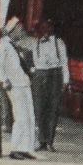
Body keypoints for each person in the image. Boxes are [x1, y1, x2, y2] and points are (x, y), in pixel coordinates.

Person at [0, 18, 39, 160]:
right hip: (15, 86)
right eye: (20, 28)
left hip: (24, 84)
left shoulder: (13, 45)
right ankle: (16, 148)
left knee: (30, 117)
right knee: (21, 117)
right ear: (13, 30)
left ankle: (26, 148)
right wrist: (4, 80)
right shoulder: (4, 45)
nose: (22, 31)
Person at [29, 19, 70, 152]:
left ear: (51, 29)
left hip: (55, 75)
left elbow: (64, 62)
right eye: (43, 28)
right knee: (40, 108)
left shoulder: (59, 43)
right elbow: (32, 62)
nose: (45, 31)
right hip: (40, 75)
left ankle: (50, 141)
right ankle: (41, 141)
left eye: (48, 28)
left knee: (53, 108)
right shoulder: (35, 44)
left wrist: (65, 81)